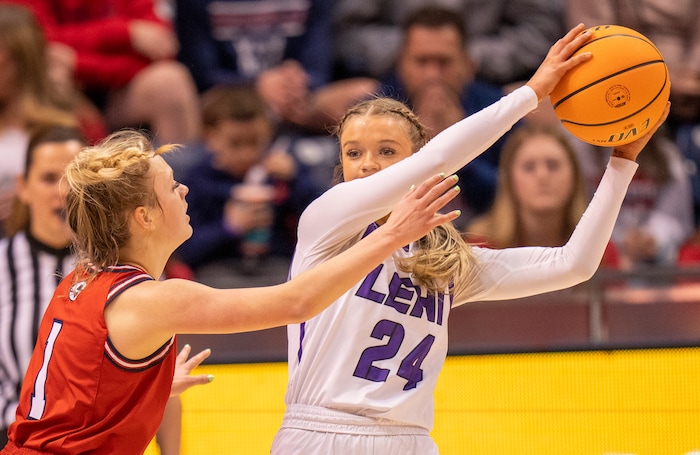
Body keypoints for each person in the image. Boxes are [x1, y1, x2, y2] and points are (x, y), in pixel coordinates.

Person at [270, 24, 670, 453]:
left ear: (414, 155)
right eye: (353, 152)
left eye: (387, 150)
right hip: (321, 433)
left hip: (410, 439)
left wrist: (622, 163)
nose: (367, 164)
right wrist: (531, 93)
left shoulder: (445, 261)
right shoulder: (326, 222)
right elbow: (441, 158)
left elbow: (573, 264)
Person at [1, 129, 461, 454]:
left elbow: (72, 383)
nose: (184, 189)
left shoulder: (83, 278)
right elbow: (296, 303)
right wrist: (393, 233)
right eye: (169, 185)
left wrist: (145, 385)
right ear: (143, 217)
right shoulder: (154, 299)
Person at [0, 125, 207, 452]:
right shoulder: (4, 264)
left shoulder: (132, 271)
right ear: (22, 188)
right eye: (48, 178)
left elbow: (148, 385)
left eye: (73, 179)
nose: (62, 193)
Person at [376, 5, 513, 219]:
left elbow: (516, 195)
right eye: (422, 61)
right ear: (401, 64)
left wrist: (460, 149)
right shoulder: (374, 113)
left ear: (468, 64)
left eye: (444, 62)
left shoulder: (499, 111)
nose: (433, 75)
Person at [175, 84, 323, 276]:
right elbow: (186, 251)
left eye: (255, 142)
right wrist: (228, 227)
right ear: (211, 137)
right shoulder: (197, 182)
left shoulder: (281, 173)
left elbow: (322, 216)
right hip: (219, 270)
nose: (247, 153)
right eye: (235, 143)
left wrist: (296, 179)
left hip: (277, 265)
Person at [6, 0, 201, 145]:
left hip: (113, 87)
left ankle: (179, 189)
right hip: (59, 86)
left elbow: (162, 45)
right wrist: (126, 33)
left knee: (171, 82)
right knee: (53, 72)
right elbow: (38, 45)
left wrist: (79, 64)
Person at [174, 0, 376, 134]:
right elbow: (200, 72)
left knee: (366, 95)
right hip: (227, 96)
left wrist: (294, 83)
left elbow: (317, 66)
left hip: (296, 99)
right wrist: (257, 86)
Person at [0, 2, 106, 236]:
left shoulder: (75, 121)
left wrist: (35, 199)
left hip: (61, 249)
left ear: (21, 59)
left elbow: (107, 195)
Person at [465, 122, 620, 267]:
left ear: (575, 177)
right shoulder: (479, 250)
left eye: (553, 165)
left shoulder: (599, 250)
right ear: (509, 180)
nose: (542, 175)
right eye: (529, 167)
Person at [332, 0, 565, 86]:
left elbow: (539, 29)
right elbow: (347, 31)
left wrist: (469, 56)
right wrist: (413, 51)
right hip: (394, 79)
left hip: (486, 83)